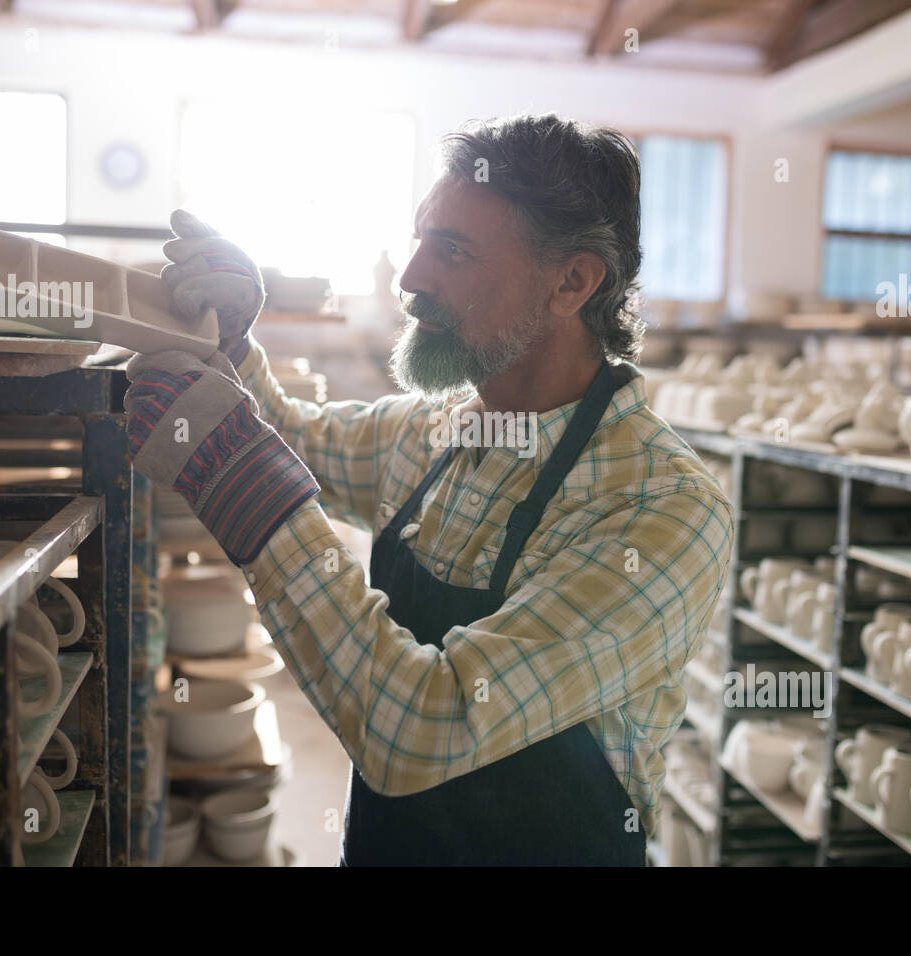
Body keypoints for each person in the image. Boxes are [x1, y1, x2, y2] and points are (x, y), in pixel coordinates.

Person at [125, 113, 734, 866]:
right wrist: (230, 339)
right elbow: (295, 440)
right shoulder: (431, 432)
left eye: (452, 250)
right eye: (421, 241)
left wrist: (256, 500)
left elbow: (423, 724)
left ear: (572, 282)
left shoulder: (661, 509)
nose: (411, 278)